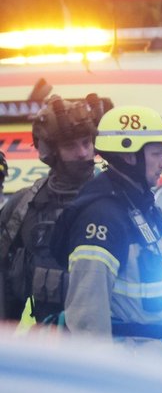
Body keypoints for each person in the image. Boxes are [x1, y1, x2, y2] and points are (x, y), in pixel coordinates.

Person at [54, 105, 162, 356]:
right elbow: (87, 321)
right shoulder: (101, 219)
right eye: (156, 153)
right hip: (133, 372)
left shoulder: (143, 209)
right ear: (130, 156)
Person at [0, 94, 109, 324]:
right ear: (50, 152)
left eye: (86, 143)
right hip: (51, 348)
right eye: (70, 146)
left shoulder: (117, 200)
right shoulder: (22, 208)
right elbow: (5, 290)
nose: (82, 153)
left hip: (110, 346)